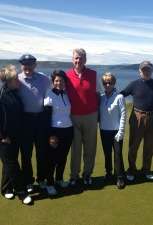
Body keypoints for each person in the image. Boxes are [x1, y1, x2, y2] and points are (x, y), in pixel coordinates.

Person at [0, 54, 52, 192]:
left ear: (35, 64)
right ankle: (28, 181)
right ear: (21, 66)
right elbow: (5, 88)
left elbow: (59, 84)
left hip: (40, 119)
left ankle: (41, 179)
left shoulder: (43, 78)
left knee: (42, 152)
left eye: (30, 63)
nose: (27, 66)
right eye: (24, 64)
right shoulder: (17, 79)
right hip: (25, 120)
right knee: (26, 153)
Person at [0, 65, 32, 205]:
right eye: (15, 79)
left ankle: (6, 188)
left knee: (8, 162)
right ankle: (22, 193)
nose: (18, 81)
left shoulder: (16, 92)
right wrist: (3, 136)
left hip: (15, 135)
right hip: (2, 137)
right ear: (7, 81)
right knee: (12, 163)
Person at [65, 48, 102, 186]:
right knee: (75, 149)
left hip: (91, 116)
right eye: (76, 58)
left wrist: (98, 114)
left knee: (90, 147)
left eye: (81, 58)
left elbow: (98, 95)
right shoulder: (67, 75)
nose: (78, 60)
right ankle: (74, 175)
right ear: (72, 59)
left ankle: (87, 174)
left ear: (85, 60)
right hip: (73, 117)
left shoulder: (93, 74)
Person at [120, 61, 153, 181]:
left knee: (149, 146)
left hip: (152, 117)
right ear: (139, 71)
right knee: (134, 145)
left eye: (148, 69)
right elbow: (121, 95)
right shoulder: (134, 84)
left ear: (152, 71)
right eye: (144, 70)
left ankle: (146, 169)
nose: (146, 72)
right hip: (137, 117)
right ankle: (131, 170)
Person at [44, 70, 74, 195]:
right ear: (53, 82)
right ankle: (49, 183)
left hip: (68, 130)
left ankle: (59, 179)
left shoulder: (66, 94)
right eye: (56, 80)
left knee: (63, 157)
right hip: (55, 131)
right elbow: (46, 118)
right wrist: (50, 135)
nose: (58, 83)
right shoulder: (49, 95)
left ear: (65, 82)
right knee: (52, 159)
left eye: (61, 81)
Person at [99, 72, 126, 189]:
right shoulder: (101, 97)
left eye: (110, 83)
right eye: (105, 83)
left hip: (116, 130)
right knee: (107, 153)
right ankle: (108, 172)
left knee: (118, 154)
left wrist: (121, 131)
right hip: (104, 130)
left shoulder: (119, 97)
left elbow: (123, 115)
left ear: (114, 83)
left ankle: (119, 177)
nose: (107, 85)